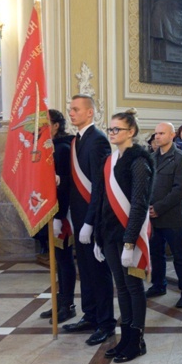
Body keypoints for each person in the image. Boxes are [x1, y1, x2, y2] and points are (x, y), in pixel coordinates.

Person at [96, 110, 153, 363]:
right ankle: (125, 338)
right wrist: (99, 236)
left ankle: (137, 341)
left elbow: (139, 205)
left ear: (131, 132)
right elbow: (103, 201)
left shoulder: (138, 162)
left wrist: (130, 242)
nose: (111, 133)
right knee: (121, 288)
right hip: (109, 235)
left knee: (133, 288)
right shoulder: (110, 161)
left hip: (128, 236)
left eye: (117, 129)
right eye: (110, 129)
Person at [63, 94, 116, 346]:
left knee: (98, 271)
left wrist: (90, 222)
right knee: (84, 269)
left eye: (75, 109)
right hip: (79, 217)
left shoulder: (98, 141)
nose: (71, 113)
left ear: (89, 113)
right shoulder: (77, 140)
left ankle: (106, 323)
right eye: (70, 109)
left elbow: (99, 186)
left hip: (93, 221)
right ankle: (91, 315)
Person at [145, 122, 182, 308]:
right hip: (153, 215)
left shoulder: (180, 158)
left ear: (172, 135)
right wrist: (149, 207)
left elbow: (180, 189)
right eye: (156, 133)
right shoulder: (152, 157)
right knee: (156, 253)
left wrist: (159, 207)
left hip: (172, 216)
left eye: (161, 133)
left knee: (179, 255)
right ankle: (159, 285)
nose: (157, 136)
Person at [38, 109, 77, 324]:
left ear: (55, 126)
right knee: (56, 260)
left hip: (61, 214)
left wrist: (59, 217)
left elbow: (63, 187)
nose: (41, 127)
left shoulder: (61, 149)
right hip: (50, 212)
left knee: (64, 260)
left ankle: (67, 305)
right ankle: (59, 302)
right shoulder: (47, 147)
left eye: (46, 123)